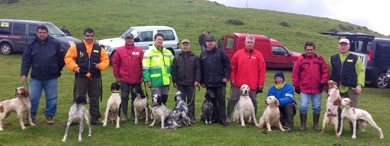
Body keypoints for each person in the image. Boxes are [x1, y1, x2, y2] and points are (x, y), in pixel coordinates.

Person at [20, 25, 66, 125]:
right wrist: (24, 73)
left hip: (51, 77)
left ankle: (50, 116)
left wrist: (57, 70)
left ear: (47, 33)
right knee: (32, 98)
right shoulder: (31, 44)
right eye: (40, 32)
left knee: (52, 97)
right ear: (37, 33)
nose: (42, 34)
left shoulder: (55, 43)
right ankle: (30, 117)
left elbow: (63, 58)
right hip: (36, 77)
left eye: (44, 32)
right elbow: (26, 60)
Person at [64, 28, 110, 126]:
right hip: (81, 76)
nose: (90, 37)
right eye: (87, 36)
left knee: (95, 97)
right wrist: (74, 67)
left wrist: (100, 66)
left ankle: (95, 118)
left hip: (95, 76)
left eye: (91, 36)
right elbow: (68, 58)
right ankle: (75, 118)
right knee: (78, 97)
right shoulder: (77, 47)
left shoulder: (99, 48)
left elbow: (106, 60)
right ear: (84, 36)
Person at [328, 38, 365, 134]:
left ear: (349, 46)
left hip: (350, 87)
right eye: (341, 44)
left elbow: (361, 72)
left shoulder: (355, 58)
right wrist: (327, 85)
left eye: (345, 45)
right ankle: (338, 126)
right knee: (336, 107)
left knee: (353, 108)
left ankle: (355, 128)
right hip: (337, 88)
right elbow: (329, 72)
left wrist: (359, 85)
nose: (343, 47)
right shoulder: (332, 58)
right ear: (338, 46)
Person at [226, 35, 266, 124]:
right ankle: (228, 117)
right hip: (238, 82)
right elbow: (232, 67)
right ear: (245, 43)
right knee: (233, 98)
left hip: (252, 83)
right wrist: (232, 79)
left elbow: (262, 70)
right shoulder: (238, 54)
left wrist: (261, 83)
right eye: (248, 42)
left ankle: (253, 119)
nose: (250, 44)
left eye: (251, 42)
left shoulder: (258, 55)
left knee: (253, 100)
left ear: (254, 43)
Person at [292, 42, 328, 131]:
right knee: (303, 106)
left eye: (311, 49)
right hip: (304, 88)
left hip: (317, 88)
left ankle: (315, 125)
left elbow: (325, 72)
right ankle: (303, 125)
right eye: (308, 49)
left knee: (317, 107)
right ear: (305, 50)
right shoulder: (300, 60)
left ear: (314, 50)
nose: (309, 51)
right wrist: (296, 86)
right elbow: (295, 74)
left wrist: (322, 82)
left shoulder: (320, 60)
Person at [200, 35, 231, 126]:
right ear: (206, 43)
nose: (210, 43)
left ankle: (222, 119)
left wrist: (226, 77)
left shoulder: (221, 52)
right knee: (212, 102)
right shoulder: (203, 55)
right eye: (208, 41)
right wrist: (202, 81)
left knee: (221, 101)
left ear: (214, 42)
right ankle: (214, 118)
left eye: (212, 41)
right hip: (209, 83)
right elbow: (201, 70)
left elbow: (228, 65)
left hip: (220, 82)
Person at [112, 33, 144, 122]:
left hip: (136, 78)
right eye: (127, 38)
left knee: (135, 97)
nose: (129, 40)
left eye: (131, 38)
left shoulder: (139, 51)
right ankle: (124, 115)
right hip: (124, 78)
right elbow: (115, 63)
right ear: (125, 40)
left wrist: (142, 76)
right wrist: (116, 75)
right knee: (124, 96)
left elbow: (142, 64)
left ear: (133, 39)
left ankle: (133, 115)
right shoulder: (119, 50)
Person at [172, 39, 201, 124]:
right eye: (184, 45)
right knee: (181, 101)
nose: (185, 46)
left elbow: (198, 70)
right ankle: (181, 117)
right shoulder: (177, 57)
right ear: (181, 46)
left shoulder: (194, 57)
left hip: (191, 83)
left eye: (187, 45)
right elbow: (174, 70)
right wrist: (174, 81)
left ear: (189, 46)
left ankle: (191, 117)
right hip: (180, 83)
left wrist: (197, 80)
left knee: (191, 101)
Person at [143, 32, 174, 105]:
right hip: (155, 82)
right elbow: (145, 68)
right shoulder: (149, 52)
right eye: (158, 39)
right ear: (154, 40)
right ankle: (157, 116)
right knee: (156, 102)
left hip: (165, 82)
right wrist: (148, 80)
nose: (160, 41)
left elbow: (174, 65)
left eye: (161, 40)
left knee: (164, 100)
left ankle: (163, 116)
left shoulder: (168, 52)